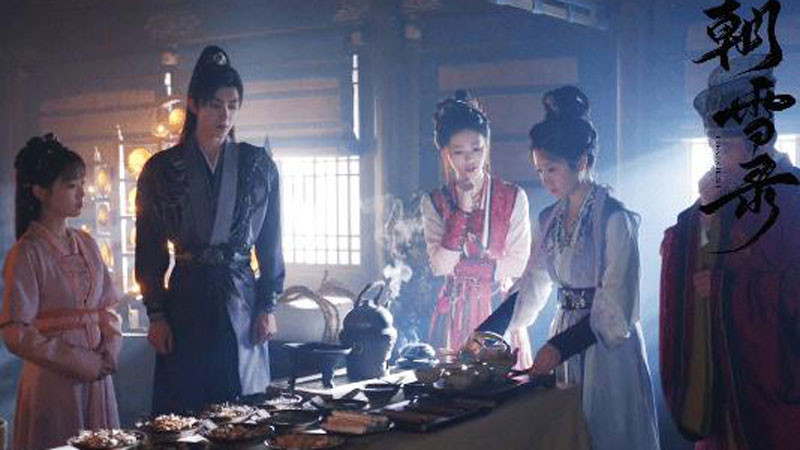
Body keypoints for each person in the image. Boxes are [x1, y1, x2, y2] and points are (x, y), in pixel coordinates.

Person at [469, 86, 660, 450]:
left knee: (606, 432)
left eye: (552, 169)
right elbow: (533, 284)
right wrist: (488, 331)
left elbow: (616, 308)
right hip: (564, 337)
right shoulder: (549, 219)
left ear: (582, 161)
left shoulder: (615, 219)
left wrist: (559, 347)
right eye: (540, 171)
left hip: (606, 349)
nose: (545, 180)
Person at [660, 55, 800, 450]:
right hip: (722, 377)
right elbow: (678, 252)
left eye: (726, 144)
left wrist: (727, 288)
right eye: (712, 145)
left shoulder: (794, 198)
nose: (717, 157)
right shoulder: (718, 193)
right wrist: (705, 216)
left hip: (779, 385)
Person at [136, 45, 285, 413]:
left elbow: (271, 243)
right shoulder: (161, 169)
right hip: (186, 298)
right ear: (193, 104)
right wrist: (156, 314)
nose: (225, 115)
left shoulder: (258, 166)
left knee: (243, 407)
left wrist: (267, 305)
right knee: (185, 407)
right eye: (216, 105)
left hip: (241, 299)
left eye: (233, 105)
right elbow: (150, 248)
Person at [1, 134, 122, 450]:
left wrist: (110, 350)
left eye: (82, 184)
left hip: (97, 374)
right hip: (54, 381)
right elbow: (16, 332)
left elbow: (107, 305)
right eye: (71, 186)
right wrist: (78, 361)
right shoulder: (26, 253)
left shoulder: (87, 244)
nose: (82, 193)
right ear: (40, 192)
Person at [420, 90, 533, 368]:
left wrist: (466, 269)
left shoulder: (512, 196)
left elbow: (519, 263)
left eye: (477, 149)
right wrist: (463, 210)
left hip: (498, 306)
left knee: (503, 384)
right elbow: (440, 266)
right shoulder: (435, 201)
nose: (469, 159)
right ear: (446, 153)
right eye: (458, 152)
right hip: (453, 309)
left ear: (487, 145)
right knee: (455, 381)